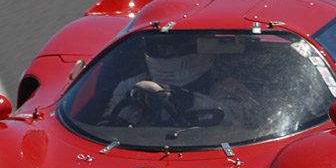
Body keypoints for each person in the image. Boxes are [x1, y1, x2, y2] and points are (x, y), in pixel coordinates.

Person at [102, 33, 258, 127]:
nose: (166, 50)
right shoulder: (131, 86)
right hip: (139, 153)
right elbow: (108, 127)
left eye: (175, 45)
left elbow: (237, 117)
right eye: (161, 45)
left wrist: (184, 99)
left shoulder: (226, 85)